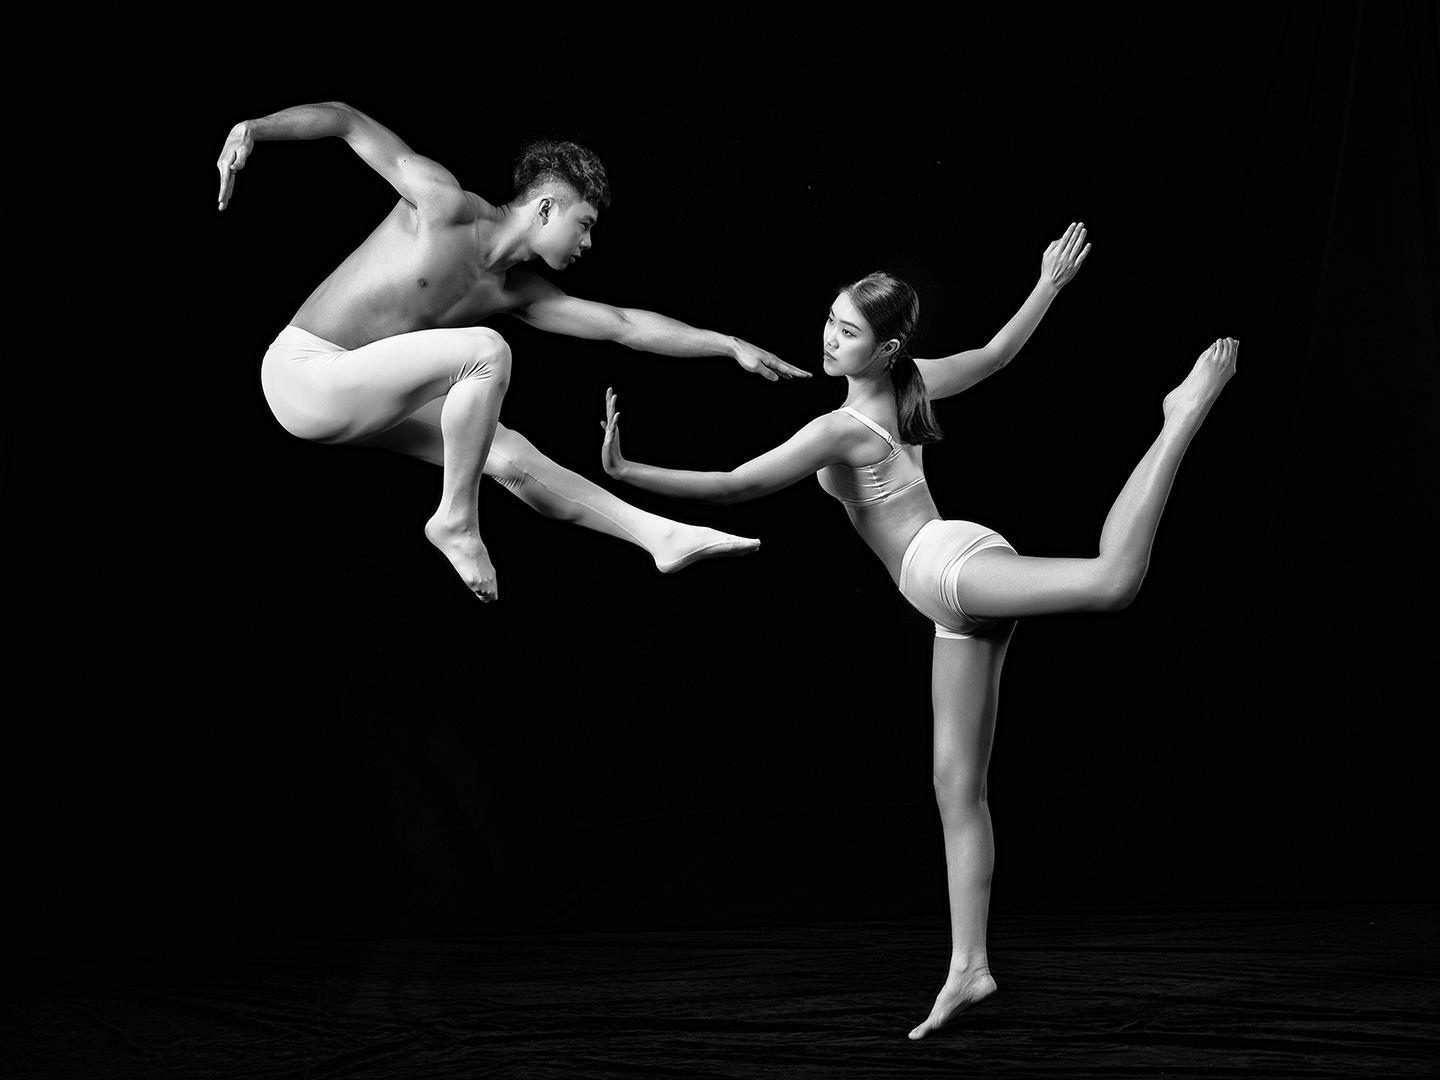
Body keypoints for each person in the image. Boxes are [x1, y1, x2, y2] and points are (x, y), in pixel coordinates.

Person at [596, 225, 1238, 1039]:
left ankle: (1180, 416)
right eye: (830, 320)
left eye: (847, 331)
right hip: (945, 596)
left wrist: (626, 471)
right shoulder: (909, 383)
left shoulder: (842, 427)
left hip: (947, 569)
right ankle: (969, 968)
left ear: (887, 347)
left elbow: (734, 485)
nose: (829, 338)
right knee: (955, 788)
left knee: (1112, 581)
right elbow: (998, 354)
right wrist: (1047, 283)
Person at [215, 100, 808, 601]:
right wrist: (254, 129)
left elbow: (623, 324)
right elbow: (346, 120)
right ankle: (455, 521)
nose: (588, 243)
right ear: (545, 208)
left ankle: (660, 537)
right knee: (485, 352)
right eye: (584, 223)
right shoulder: (442, 204)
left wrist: (726, 344)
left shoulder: (517, 292)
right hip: (301, 374)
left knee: (509, 453)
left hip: (361, 398)